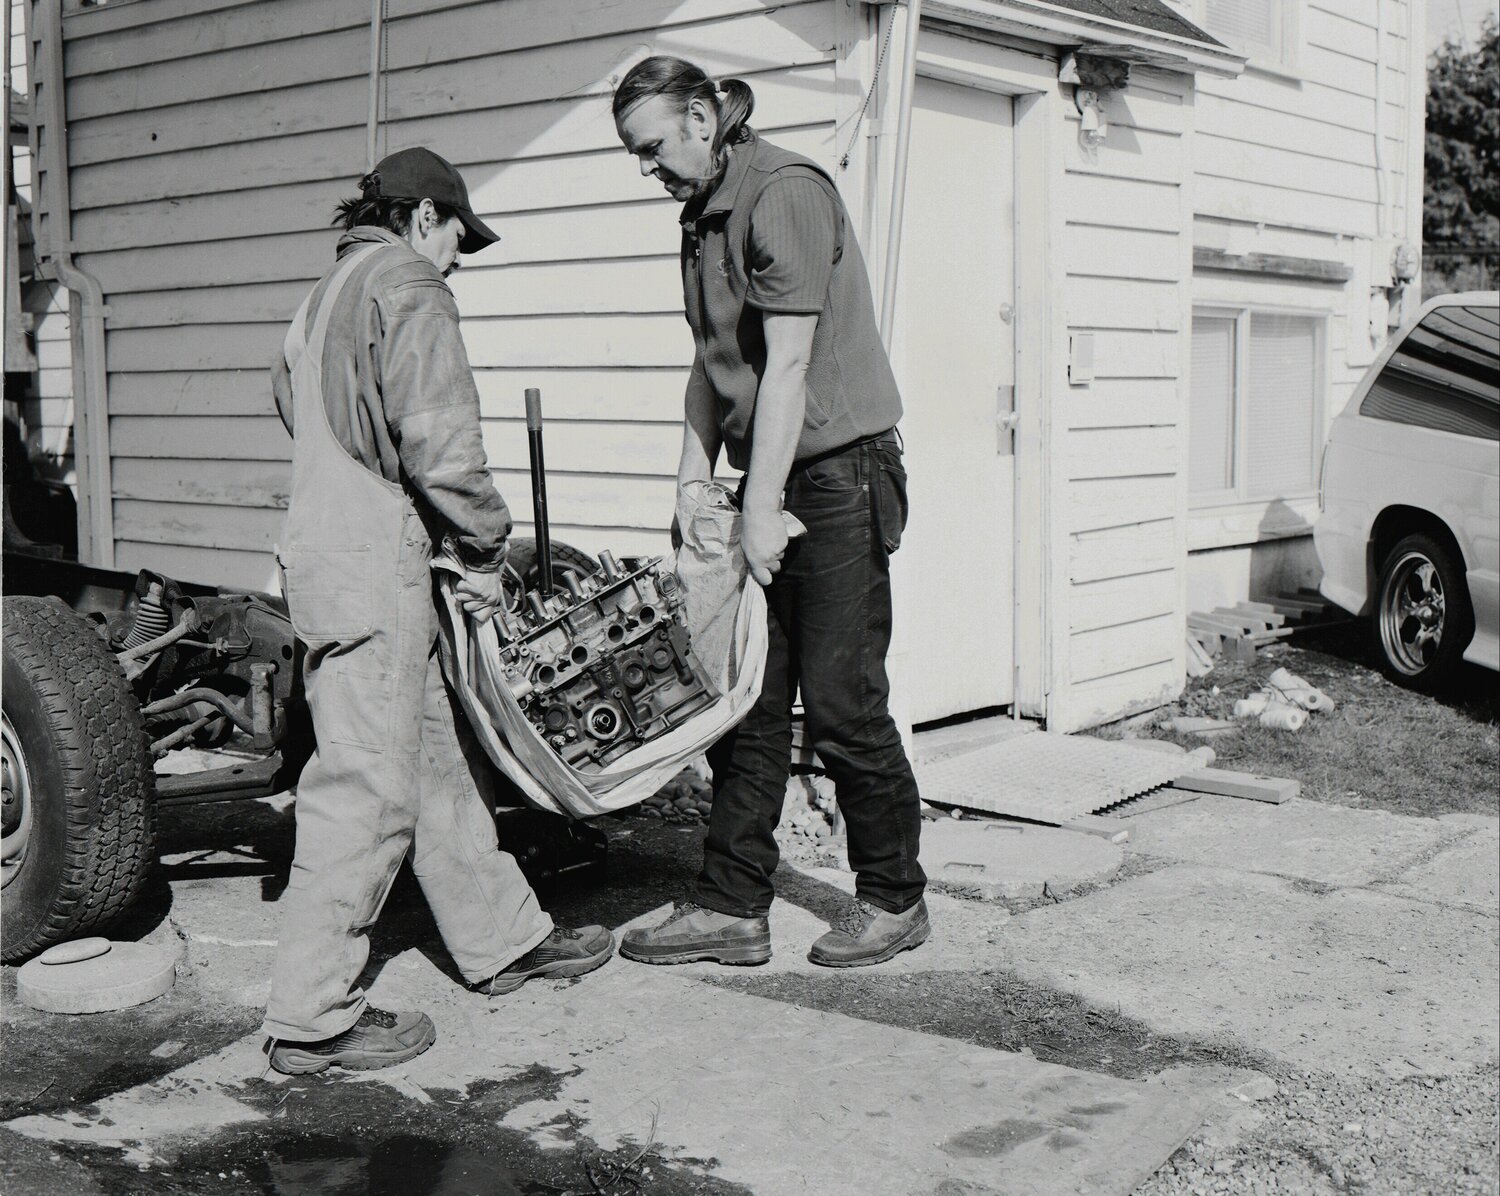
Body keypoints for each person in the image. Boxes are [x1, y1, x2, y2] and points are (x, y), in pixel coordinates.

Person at [262, 147, 613, 1075]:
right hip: (374, 560)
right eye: (460, 237)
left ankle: (503, 939)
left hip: (332, 551)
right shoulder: (408, 282)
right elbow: (442, 443)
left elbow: (297, 413)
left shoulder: (320, 299)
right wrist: (487, 549)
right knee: (365, 789)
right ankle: (310, 1018)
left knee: (435, 762)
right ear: (425, 218)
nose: (459, 257)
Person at [611, 58, 928, 969]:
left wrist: (757, 509)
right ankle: (732, 905)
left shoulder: (783, 191)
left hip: (839, 475)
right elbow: (714, 364)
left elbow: (786, 367)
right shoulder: (701, 213)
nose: (649, 170)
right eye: (636, 156)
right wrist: (688, 482)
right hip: (774, 479)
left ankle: (894, 898)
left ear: (704, 116)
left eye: (654, 148)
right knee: (745, 704)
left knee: (840, 701)